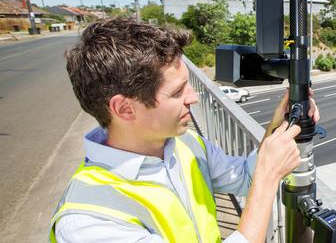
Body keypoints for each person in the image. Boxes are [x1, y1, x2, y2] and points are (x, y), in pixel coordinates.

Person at [50, 18, 319, 243]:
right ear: (124, 109)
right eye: (178, 91)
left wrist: (279, 124)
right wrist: (268, 179)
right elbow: (259, 180)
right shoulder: (89, 221)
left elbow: (246, 177)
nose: (194, 97)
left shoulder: (186, 144)